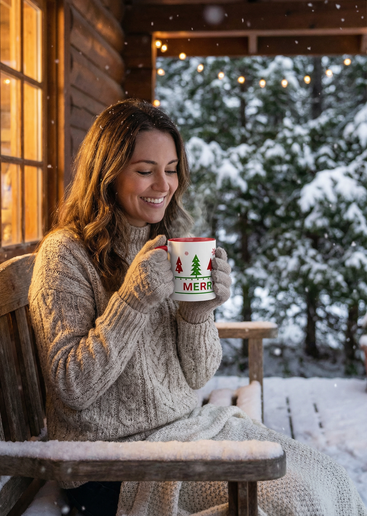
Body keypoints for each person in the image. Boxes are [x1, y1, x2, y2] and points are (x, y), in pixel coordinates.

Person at [28, 99, 367, 516]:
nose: (163, 185)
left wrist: (198, 312)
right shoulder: (65, 255)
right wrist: (132, 301)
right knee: (290, 498)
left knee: (329, 476)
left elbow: (198, 374)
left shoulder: (168, 244)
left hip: (186, 431)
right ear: (107, 174)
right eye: (144, 170)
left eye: (170, 170)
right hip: (114, 464)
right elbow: (73, 386)